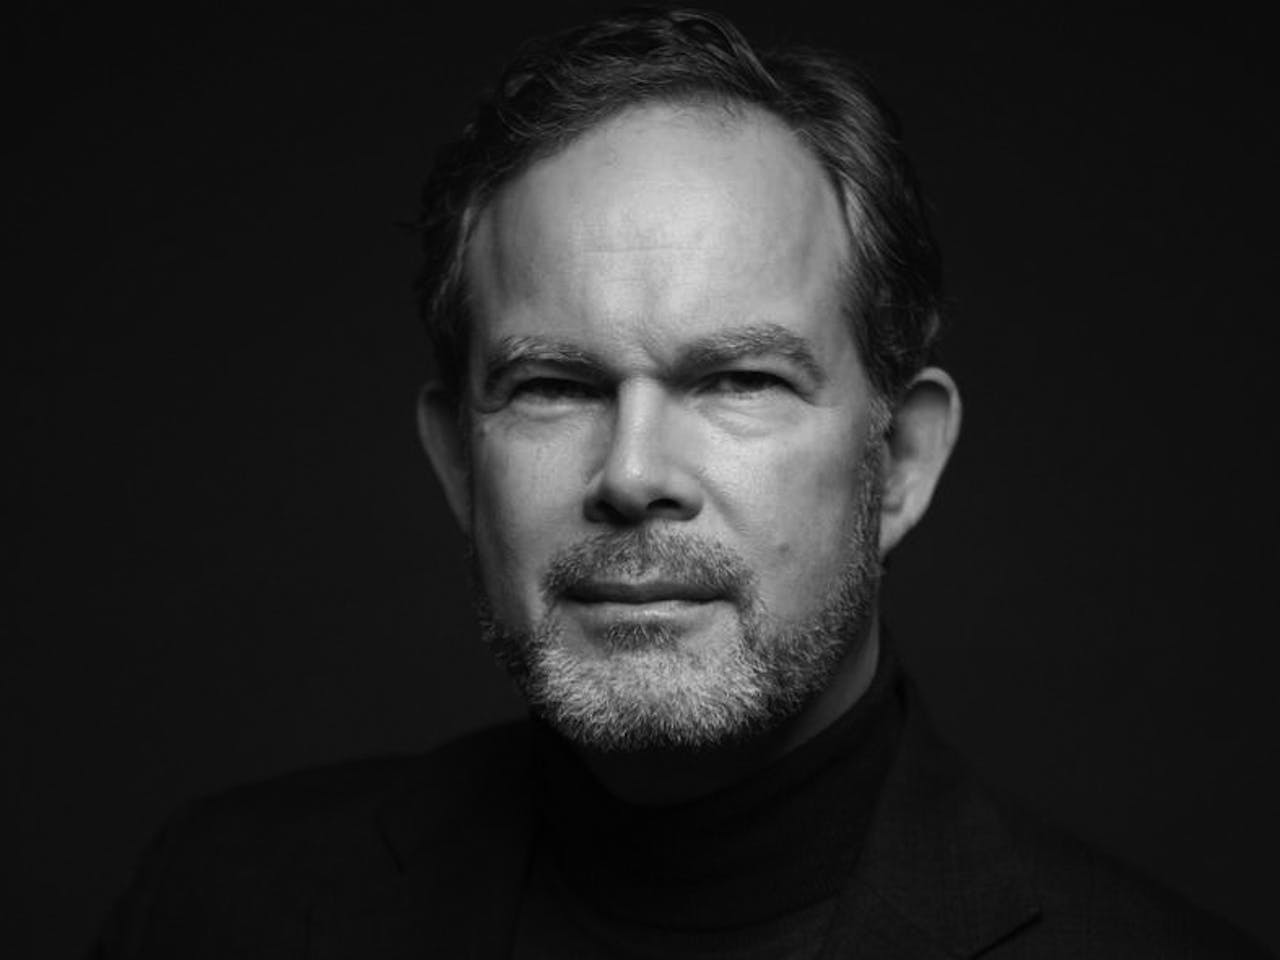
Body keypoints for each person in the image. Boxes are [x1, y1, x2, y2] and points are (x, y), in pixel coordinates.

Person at [92, 7, 1270, 958]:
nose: (632, 474)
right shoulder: (215, 905)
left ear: (900, 461)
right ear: (458, 463)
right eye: (553, 386)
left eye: (738, 379)